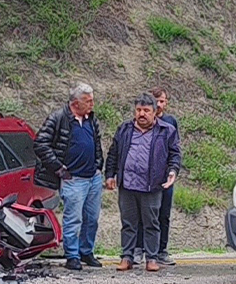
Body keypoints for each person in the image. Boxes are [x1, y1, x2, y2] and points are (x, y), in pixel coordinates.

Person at [104, 94, 182, 272]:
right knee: (128, 223)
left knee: (151, 222)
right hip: (127, 185)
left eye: (146, 110)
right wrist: (110, 175)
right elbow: (113, 153)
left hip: (152, 186)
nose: (142, 114)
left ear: (155, 112)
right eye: (139, 110)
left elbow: (175, 154)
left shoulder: (166, 130)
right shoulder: (124, 129)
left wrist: (172, 171)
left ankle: (152, 258)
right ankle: (127, 257)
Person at [35, 83, 105, 271]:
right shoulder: (58, 118)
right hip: (73, 179)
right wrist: (58, 168)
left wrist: (98, 164)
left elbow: (97, 143)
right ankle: (72, 255)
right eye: (88, 101)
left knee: (92, 219)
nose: (92, 104)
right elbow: (40, 143)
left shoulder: (91, 119)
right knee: (73, 219)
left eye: (92, 100)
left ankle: (86, 252)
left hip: (93, 178)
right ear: (75, 103)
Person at [150, 87, 179, 265]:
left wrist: (173, 170)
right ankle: (140, 249)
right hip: (147, 177)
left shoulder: (171, 122)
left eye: (162, 101)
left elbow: (175, 149)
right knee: (145, 214)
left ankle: (162, 250)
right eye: (156, 101)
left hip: (165, 176)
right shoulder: (144, 121)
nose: (159, 104)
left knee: (164, 214)